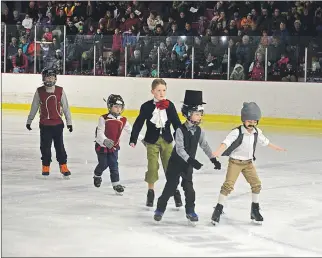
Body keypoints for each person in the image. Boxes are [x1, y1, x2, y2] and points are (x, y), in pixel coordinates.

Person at [210, 102, 286, 225]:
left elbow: (265, 142)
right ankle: (218, 209)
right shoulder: (237, 132)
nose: (252, 123)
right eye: (249, 120)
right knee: (228, 186)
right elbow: (226, 143)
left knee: (256, 185)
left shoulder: (257, 132)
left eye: (255, 121)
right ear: (243, 120)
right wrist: (218, 152)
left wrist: (277, 147)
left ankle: (254, 210)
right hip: (235, 162)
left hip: (248, 163)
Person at [154, 90, 221, 225]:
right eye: (197, 114)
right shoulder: (180, 130)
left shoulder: (199, 131)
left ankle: (190, 211)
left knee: (189, 189)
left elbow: (205, 145)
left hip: (187, 166)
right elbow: (179, 149)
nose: (199, 116)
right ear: (188, 114)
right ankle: (160, 209)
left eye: (200, 113)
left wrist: (213, 159)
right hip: (176, 164)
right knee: (171, 187)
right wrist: (191, 160)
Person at [129, 78, 183, 208]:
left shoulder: (169, 105)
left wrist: (182, 138)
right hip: (152, 141)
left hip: (167, 141)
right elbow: (138, 123)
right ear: (152, 91)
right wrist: (133, 138)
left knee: (170, 168)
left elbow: (176, 123)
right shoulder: (147, 107)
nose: (161, 93)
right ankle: (150, 192)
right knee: (152, 167)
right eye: (158, 90)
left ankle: (175, 192)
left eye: (164, 90)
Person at [26, 68, 73, 178]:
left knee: (60, 147)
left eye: (52, 77)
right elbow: (34, 107)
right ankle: (45, 165)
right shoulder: (39, 91)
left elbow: (66, 107)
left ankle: (63, 165)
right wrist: (29, 120)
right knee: (45, 147)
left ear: (55, 78)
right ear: (43, 78)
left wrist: (69, 122)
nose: (50, 79)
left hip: (57, 125)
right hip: (45, 125)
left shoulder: (60, 90)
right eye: (47, 77)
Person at [93, 94, 144, 195]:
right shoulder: (103, 118)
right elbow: (99, 133)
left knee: (114, 165)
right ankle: (97, 174)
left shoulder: (123, 120)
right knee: (103, 164)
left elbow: (132, 131)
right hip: (102, 146)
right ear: (110, 107)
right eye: (116, 106)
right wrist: (105, 140)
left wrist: (143, 139)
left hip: (114, 147)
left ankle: (116, 184)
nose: (118, 109)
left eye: (120, 107)